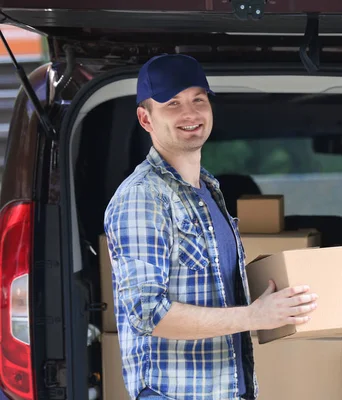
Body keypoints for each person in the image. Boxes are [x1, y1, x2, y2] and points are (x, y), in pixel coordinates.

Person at [103, 54, 319, 400]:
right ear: (146, 119)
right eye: (172, 103)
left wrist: (273, 302)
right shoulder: (143, 197)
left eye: (198, 100)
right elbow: (147, 312)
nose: (190, 113)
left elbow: (215, 291)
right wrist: (253, 316)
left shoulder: (209, 190)